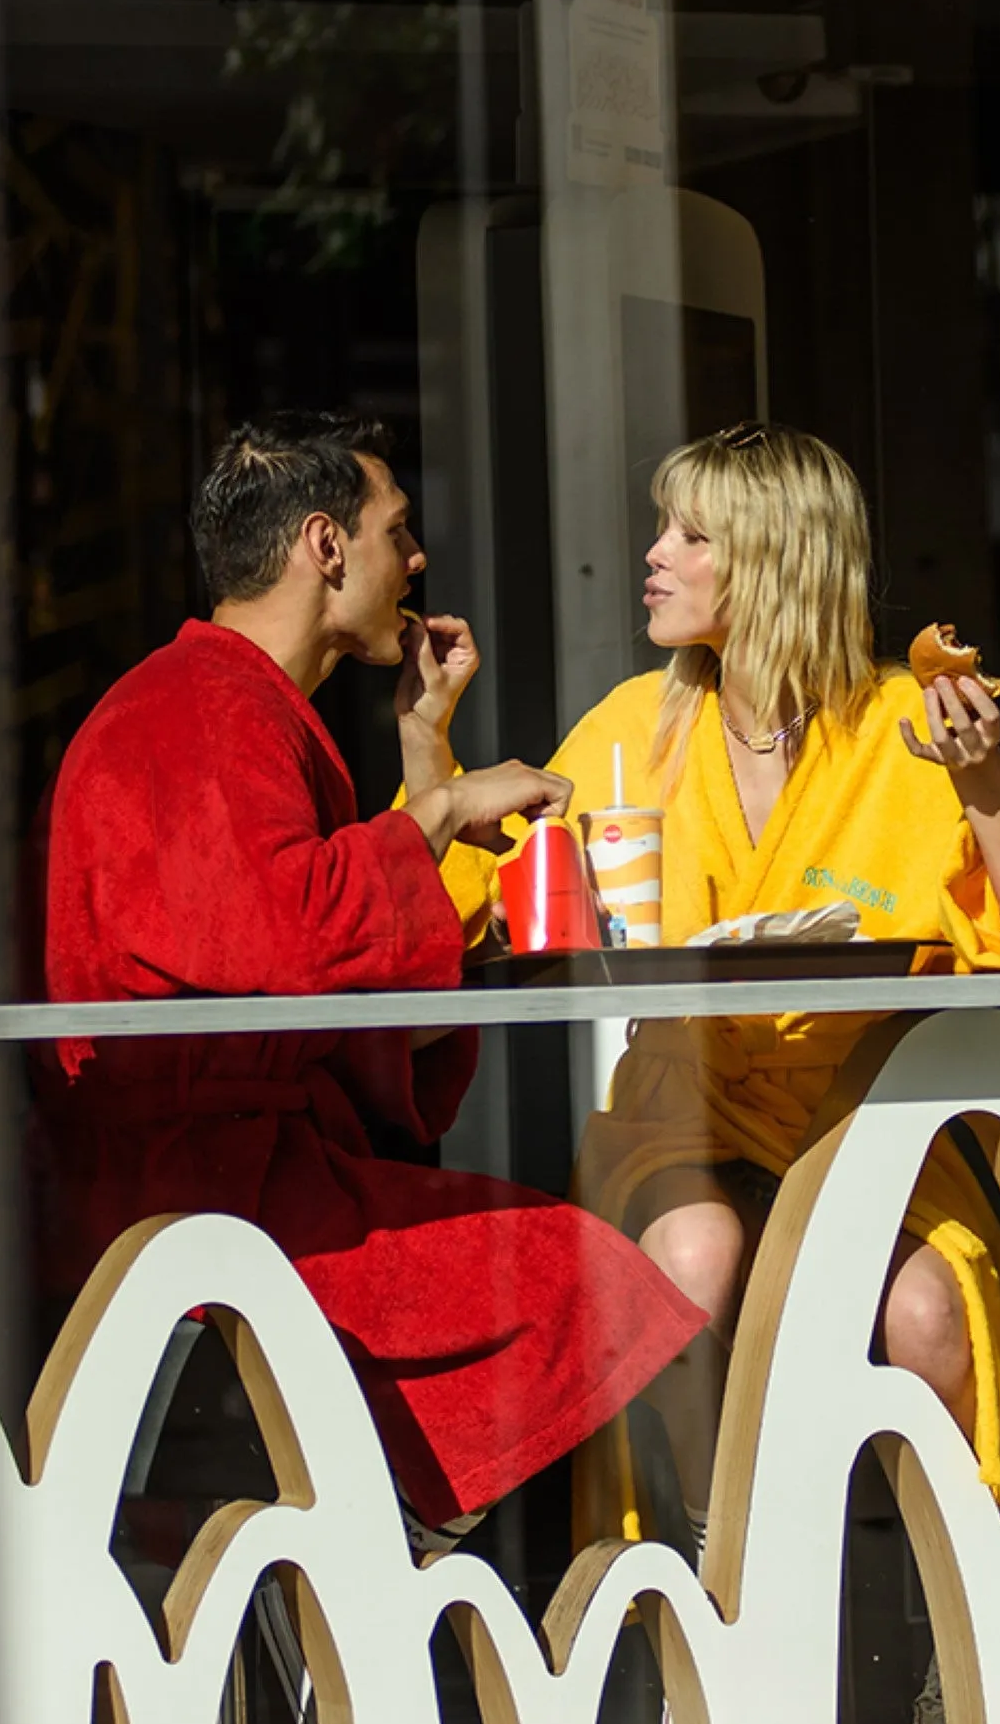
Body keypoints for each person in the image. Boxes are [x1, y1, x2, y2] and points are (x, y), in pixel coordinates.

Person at [447, 423, 1000, 1724]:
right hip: (686, 1107)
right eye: (665, 529)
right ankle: (709, 1597)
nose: (655, 556)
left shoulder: (896, 728)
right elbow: (495, 893)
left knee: (929, 1310)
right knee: (689, 1255)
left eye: (690, 535)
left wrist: (985, 782)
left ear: (768, 559)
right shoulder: (638, 725)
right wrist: (440, 768)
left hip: (860, 1115)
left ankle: (960, 1627)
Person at [39, 410, 703, 1541]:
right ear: (324, 547)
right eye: (398, 528)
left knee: (573, 1272)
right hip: (204, 1199)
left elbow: (298, 928)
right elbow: (285, 937)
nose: (416, 559)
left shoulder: (238, 706)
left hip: (255, 1173)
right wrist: (441, 808)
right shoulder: (198, 710)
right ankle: (375, 1572)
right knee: (578, 1278)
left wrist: (421, 758)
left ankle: (374, 1562)